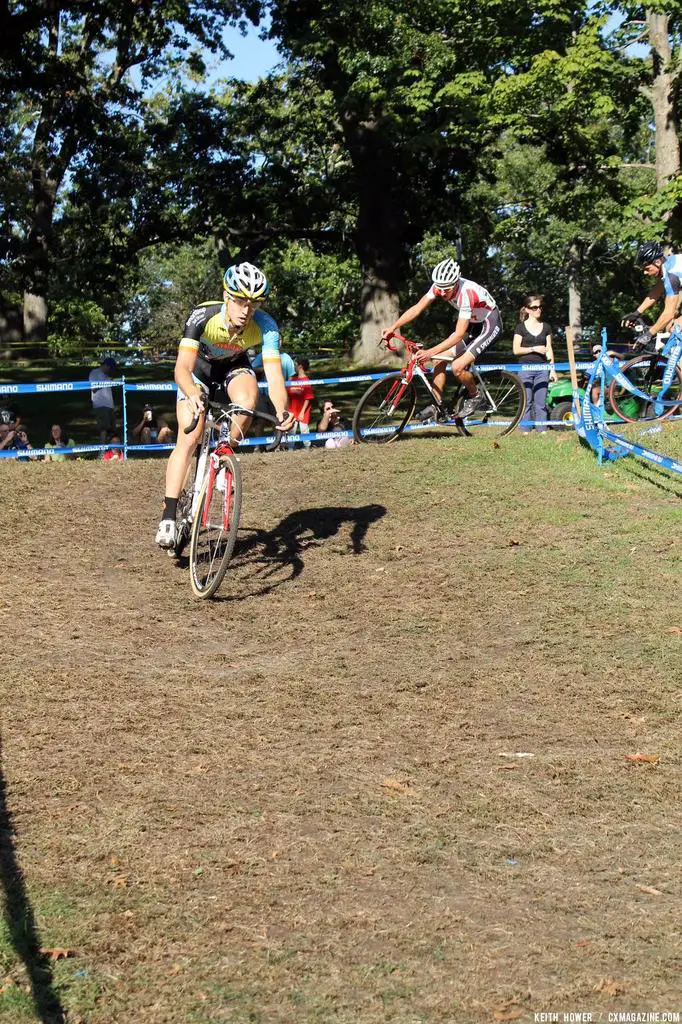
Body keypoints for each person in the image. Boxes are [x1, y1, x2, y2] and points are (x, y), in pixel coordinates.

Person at [155, 261, 295, 549]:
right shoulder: (203, 316)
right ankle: (168, 516)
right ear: (227, 296)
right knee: (189, 435)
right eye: (241, 301)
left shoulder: (266, 327)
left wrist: (282, 409)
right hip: (199, 372)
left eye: (254, 304)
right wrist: (192, 393)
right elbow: (181, 368)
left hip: (233, 367)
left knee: (248, 400)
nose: (247, 310)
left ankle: (224, 453)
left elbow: (274, 374)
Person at [382, 257, 502, 419]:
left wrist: (429, 352)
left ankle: (476, 397)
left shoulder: (466, 293)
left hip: (489, 323)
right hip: (473, 323)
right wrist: (393, 327)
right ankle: (436, 405)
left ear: (456, 283)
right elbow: (417, 308)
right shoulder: (439, 286)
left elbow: (459, 334)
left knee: (458, 366)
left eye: (447, 289)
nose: (443, 292)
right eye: (440, 288)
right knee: (439, 360)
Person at [621, 242, 682, 347]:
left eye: (647, 268)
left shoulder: (672, 275)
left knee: (675, 327)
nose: (645, 272)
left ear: (657, 262)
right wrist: (637, 313)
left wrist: (648, 335)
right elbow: (657, 291)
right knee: (671, 328)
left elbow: (668, 314)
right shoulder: (668, 265)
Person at [512, 295, 556, 432]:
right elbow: (516, 350)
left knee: (541, 402)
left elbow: (549, 349)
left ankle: (542, 429)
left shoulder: (546, 327)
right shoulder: (520, 328)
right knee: (526, 401)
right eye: (535, 307)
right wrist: (533, 349)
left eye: (540, 307)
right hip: (525, 368)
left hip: (542, 369)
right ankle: (525, 429)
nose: (538, 310)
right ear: (527, 310)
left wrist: (552, 369)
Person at [287, 357, 315, 447]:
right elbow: (288, 395)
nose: (294, 367)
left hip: (303, 411)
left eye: (295, 365)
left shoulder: (306, 381)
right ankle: (290, 448)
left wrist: (302, 412)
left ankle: (307, 447)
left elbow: (308, 398)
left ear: (300, 367)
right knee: (291, 430)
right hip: (292, 410)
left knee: (304, 430)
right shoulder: (292, 380)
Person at [89, 357, 117, 442]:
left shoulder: (107, 376)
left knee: (112, 430)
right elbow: (93, 389)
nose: (110, 370)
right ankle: (102, 451)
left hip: (110, 406)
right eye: (109, 368)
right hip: (100, 406)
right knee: (103, 429)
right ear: (106, 366)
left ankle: (110, 452)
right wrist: (105, 382)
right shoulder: (94, 373)